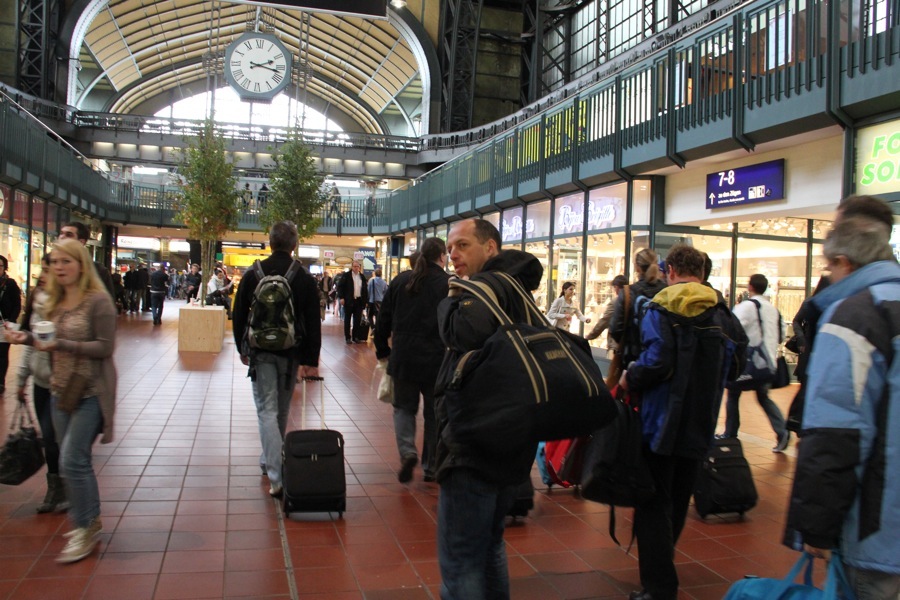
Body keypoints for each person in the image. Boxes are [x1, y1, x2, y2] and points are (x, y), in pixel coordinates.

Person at [619, 244, 747, 600]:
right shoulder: (722, 311)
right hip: (701, 419)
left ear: (671, 269)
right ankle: (663, 570)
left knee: (652, 502)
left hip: (660, 421)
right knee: (677, 498)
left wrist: (631, 376)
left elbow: (657, 360)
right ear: (702, 272)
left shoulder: (661, 307)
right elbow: (739, 361)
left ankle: (659, 587)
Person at [784, 214, 900, 600]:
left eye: (829, 266)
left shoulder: (853, 317)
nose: (828, 276)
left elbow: (837, 434)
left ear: (845, 263)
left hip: (875, 530)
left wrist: (816, 527)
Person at [434, 218, 544, 599]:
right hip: (512, 441)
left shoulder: (480, 289)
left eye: (463, 245)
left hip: (475, 442)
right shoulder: (516, 287)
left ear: (490, 248)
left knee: (461, 558)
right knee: (491, 545)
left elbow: (462, 334)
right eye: (450, 248)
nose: (453, 254)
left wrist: (451, 298)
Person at [6, 238, 117, 564]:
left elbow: (105, 348)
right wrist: (24, 338)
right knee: (72, 459)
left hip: (91, 391)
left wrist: (64, 345)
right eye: (54, 262)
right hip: (59, 390)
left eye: (66, 261)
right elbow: (45, 340)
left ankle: (84, 527)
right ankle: (90, 520)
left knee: (72, 458)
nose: (59, 267)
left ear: (81, 264)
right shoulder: (53, 301)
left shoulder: (99, 302)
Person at [232, 221, 321, 497]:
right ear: (294, 244)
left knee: (266, 411)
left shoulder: (254, 273)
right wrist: (310, 359)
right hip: (291, 352)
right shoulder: (302, 277)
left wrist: (242, 347)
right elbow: (311, 319)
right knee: (280, 411)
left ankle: (275, 475)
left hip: (260, 354)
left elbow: (238, 314)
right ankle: (271, 461)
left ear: (270, 242)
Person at [374, 237, 449, 483]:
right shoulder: (447, 284)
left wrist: (381, 348)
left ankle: (408, 452)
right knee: (434, 413)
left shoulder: (400, 281)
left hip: (404, 356)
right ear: (441, 256)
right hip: (436, 359)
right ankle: (431, 466)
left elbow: (383, 318)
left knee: (403, 408)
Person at [14, 254, 67, 513]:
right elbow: (29, 344)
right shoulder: (37, 301)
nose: (46, 275)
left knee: (52, 434)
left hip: (61, 382)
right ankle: (55, 487)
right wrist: (22, 379)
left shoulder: (68, 303)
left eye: (51, 269)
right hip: (40, 381)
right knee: (49, 435)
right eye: (45, 270)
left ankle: (63, 486)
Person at [719, 274, 790, 452]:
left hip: (748, 363)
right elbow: (781, 334)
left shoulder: (746, 307)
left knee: (733, 394)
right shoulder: (773, 309)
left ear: (750, 287)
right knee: (763, 397)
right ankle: (782, 431)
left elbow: (733, 328)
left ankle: (730, 432)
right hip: (767, 364)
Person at [610, 248, 667, 367]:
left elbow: (615, 329)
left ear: (637, 268)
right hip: (662, 362)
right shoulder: (667, 291)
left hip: (633, 360)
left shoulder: (628, 293)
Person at [59, 222, 115, 299]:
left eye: (69, 235)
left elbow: (107, 304)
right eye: (61, 233)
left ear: (81, 242)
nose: (62, 237)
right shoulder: (52, 265)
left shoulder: (99, 271)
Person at [585, 275, 628, 352]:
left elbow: (603, 322)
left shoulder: (616, 303)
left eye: (614, 287)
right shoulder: (634, 299)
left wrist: (588, 337)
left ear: (617, 287)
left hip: (616, 346)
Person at [0, 254, 22, 394]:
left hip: (5, 324)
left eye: (0, 266)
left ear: (4, 268)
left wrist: (12, 320)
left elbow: (17, 304)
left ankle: (1, 382)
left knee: (2, 354)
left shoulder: (10, 284)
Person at [338, 260, 368, 344]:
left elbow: (365, 290)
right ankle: (348, 337)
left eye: (357, 266)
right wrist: (341, 297)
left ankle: (355, 337)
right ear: (352, 267)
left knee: (357, 320)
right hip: (348, 301)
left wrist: (365, 301)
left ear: (359, 267)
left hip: (359, 301)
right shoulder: (346, 276)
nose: (356, 268)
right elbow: (340, 287)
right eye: (354, 266)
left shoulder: (362, 277)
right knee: (347, 319)